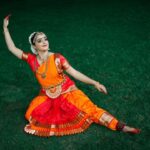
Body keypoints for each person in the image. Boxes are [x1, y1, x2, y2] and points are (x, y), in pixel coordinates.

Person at [3, 15, 140, 137]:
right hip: (47, 95)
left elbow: (75, 73)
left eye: (46, 39)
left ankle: (121, 126)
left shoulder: (57, 58)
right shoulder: (31, 59)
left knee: (90, 109)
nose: (45, 42)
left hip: (68, 91)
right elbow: (12, 48)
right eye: (40, 40)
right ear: (34, 45)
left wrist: (95, 83)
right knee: (30, 113)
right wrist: (5, 28)